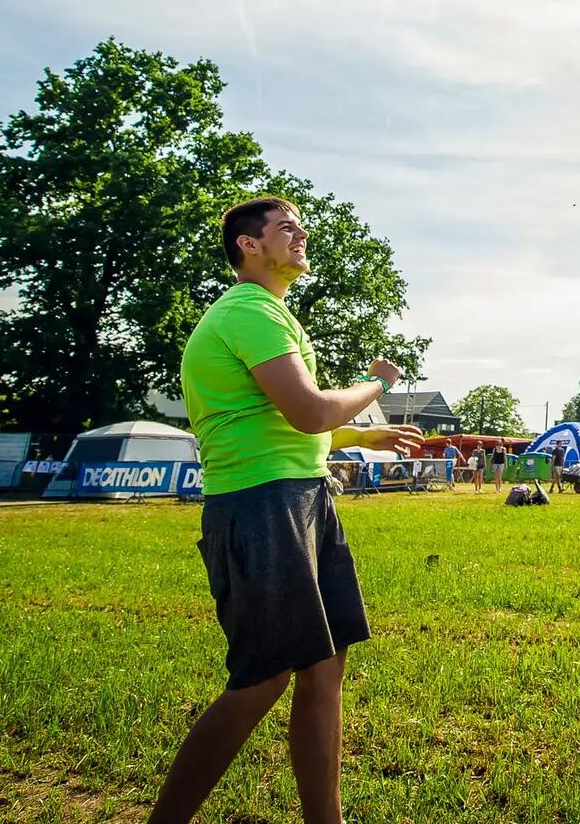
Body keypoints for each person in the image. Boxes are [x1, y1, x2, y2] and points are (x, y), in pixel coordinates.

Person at [150, 196, 421, 824]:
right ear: (248, 245)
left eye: (301, 226)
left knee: (325, 669)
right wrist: (377, 382)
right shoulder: (249, 309)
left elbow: (286, 423)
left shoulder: (270, 313)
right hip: (262, 504)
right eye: (284, 228)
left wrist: (358, 438)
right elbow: (309, 410)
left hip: (303, 496)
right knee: (263, 678)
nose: (300, 235)